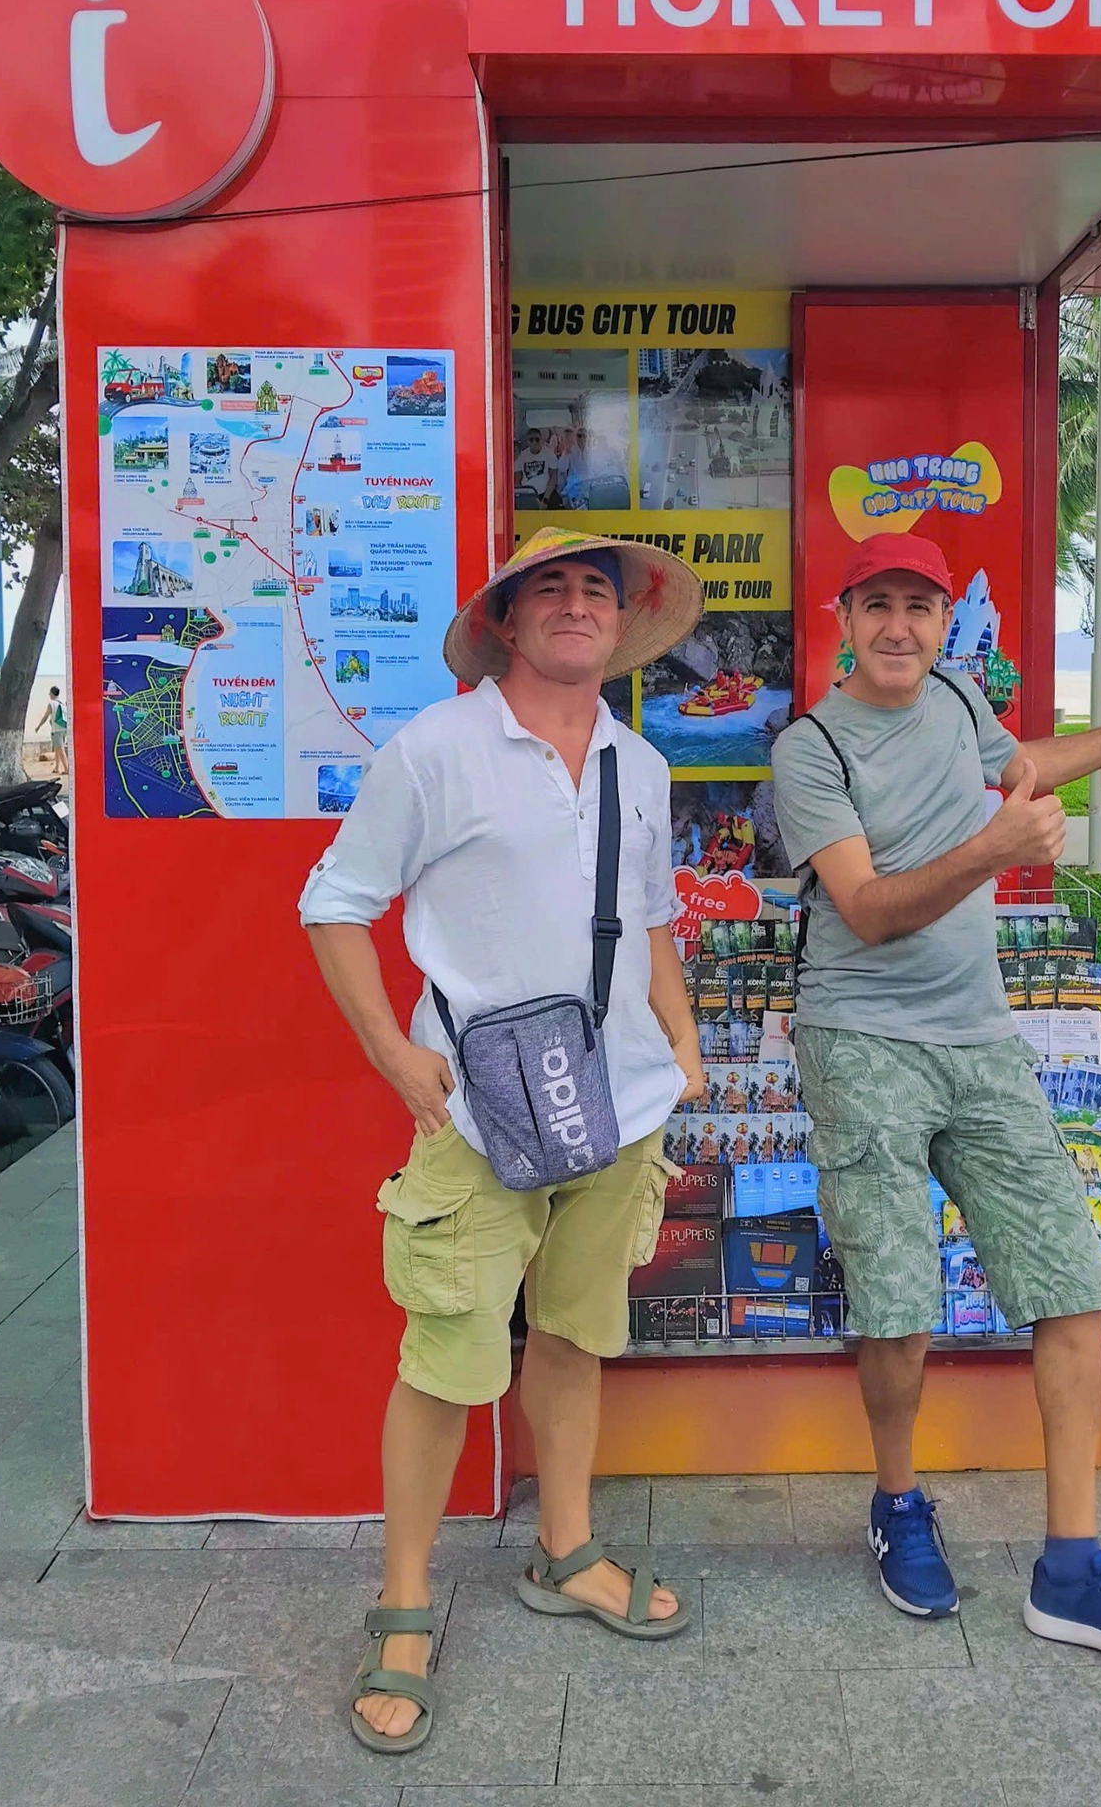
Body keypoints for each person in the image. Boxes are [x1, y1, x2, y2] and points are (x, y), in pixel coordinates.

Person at [771, 530, 1101, 1674]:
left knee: (1071, 1276)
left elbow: (1025, 765)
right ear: (844, 619)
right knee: (898, 1302)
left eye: (918, 605)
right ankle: (897, 1498)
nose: (899, 626)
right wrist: (995, 843)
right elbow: (868, 907)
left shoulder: (960, 696)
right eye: (878, 604)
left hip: (978, 1035)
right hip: (860, 1039)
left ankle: (1073, 1565)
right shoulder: (810, 746)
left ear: (940, 622)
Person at [300, 524, 706, 1754]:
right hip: (476, 1111)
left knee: (576, 1334)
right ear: (509, 621)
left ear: (621, 622)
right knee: (445, 1357)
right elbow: (334, 900)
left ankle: (565, 1548)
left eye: (598, 589)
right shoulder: (437, 749)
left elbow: (651, 920)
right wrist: (391, 1047)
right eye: (553, 588)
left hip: (618, 1102)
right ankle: (403, 1607)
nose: (578, 604)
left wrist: (683, 1043)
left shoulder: (642, 763)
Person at [33, 686, 68, 776]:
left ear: (52, 694)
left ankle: (66, 768)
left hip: (56, 730)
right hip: (64, 728)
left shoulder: (51, 704)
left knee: (60, 749)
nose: (49, 694)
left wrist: (38, 727)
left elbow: (45, 717)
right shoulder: (62, 702)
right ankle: (56, 767)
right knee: (57, 748)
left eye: (50, 693)